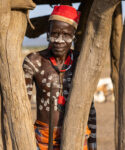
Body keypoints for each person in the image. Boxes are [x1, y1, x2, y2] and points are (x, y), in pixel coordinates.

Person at [23, 5, 96, 150]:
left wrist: (93, 144)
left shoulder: (81, 61)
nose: (59, 40)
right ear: (48, 34)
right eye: (54, 34)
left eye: (66, 35)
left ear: (74, 35)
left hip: (77, 135)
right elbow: (22, 107)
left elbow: (90, 108)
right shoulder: (34, 62)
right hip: (43, 139)